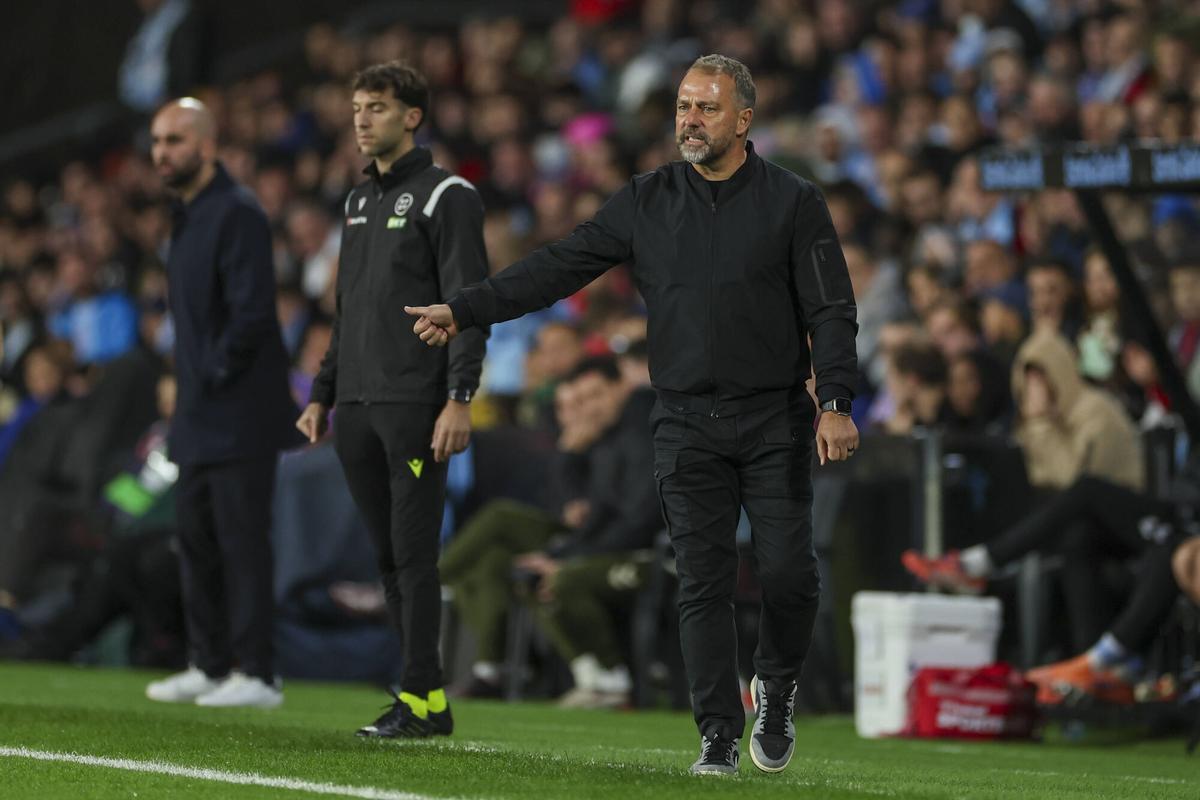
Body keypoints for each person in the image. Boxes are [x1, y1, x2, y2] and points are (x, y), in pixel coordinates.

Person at [406, 54, 859, 776]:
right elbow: (557, 266)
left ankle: (774, 685)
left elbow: (833, 310)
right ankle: (716, 733)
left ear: (744, 120)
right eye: (683, 105)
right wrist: (464, 309)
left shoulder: (794, 201)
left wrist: (834, 401)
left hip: (773, 417)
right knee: (701, 579)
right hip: (683, 420)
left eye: (707, 108)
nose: (689, 119)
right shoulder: (647, 199)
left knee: (788, 574)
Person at [294, 61, 489, 739]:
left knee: (414, 558)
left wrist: (459, 397)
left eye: (375, 106)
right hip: (355, 406)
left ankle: (414, 700)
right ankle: (427, 700)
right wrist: (322, 393)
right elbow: (349, 312)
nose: (361, 118)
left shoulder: (447, 197)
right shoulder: (355, 201)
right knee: (386, 560)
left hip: (415, 404)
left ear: (412, 116)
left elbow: (469, 304)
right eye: (356, 107)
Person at [145, 97, 300, 708]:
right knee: (197, 541)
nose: (163, 152)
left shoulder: (236, 213)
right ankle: (208, 664)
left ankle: (258, 674)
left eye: (176, 140)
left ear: (207, 146)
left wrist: (208, 374)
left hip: (238, 412)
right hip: (197, 412)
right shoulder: (186, 217)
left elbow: (254, 315)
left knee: (242, 543)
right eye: (157, 141)